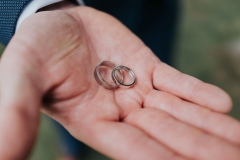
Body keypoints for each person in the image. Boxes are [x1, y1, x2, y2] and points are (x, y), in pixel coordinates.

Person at [0, 1, 240, 160]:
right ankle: (72, 149)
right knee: (66, 99)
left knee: (158, 58)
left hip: (154, 11)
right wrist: (46, 7)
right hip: (82, 12)